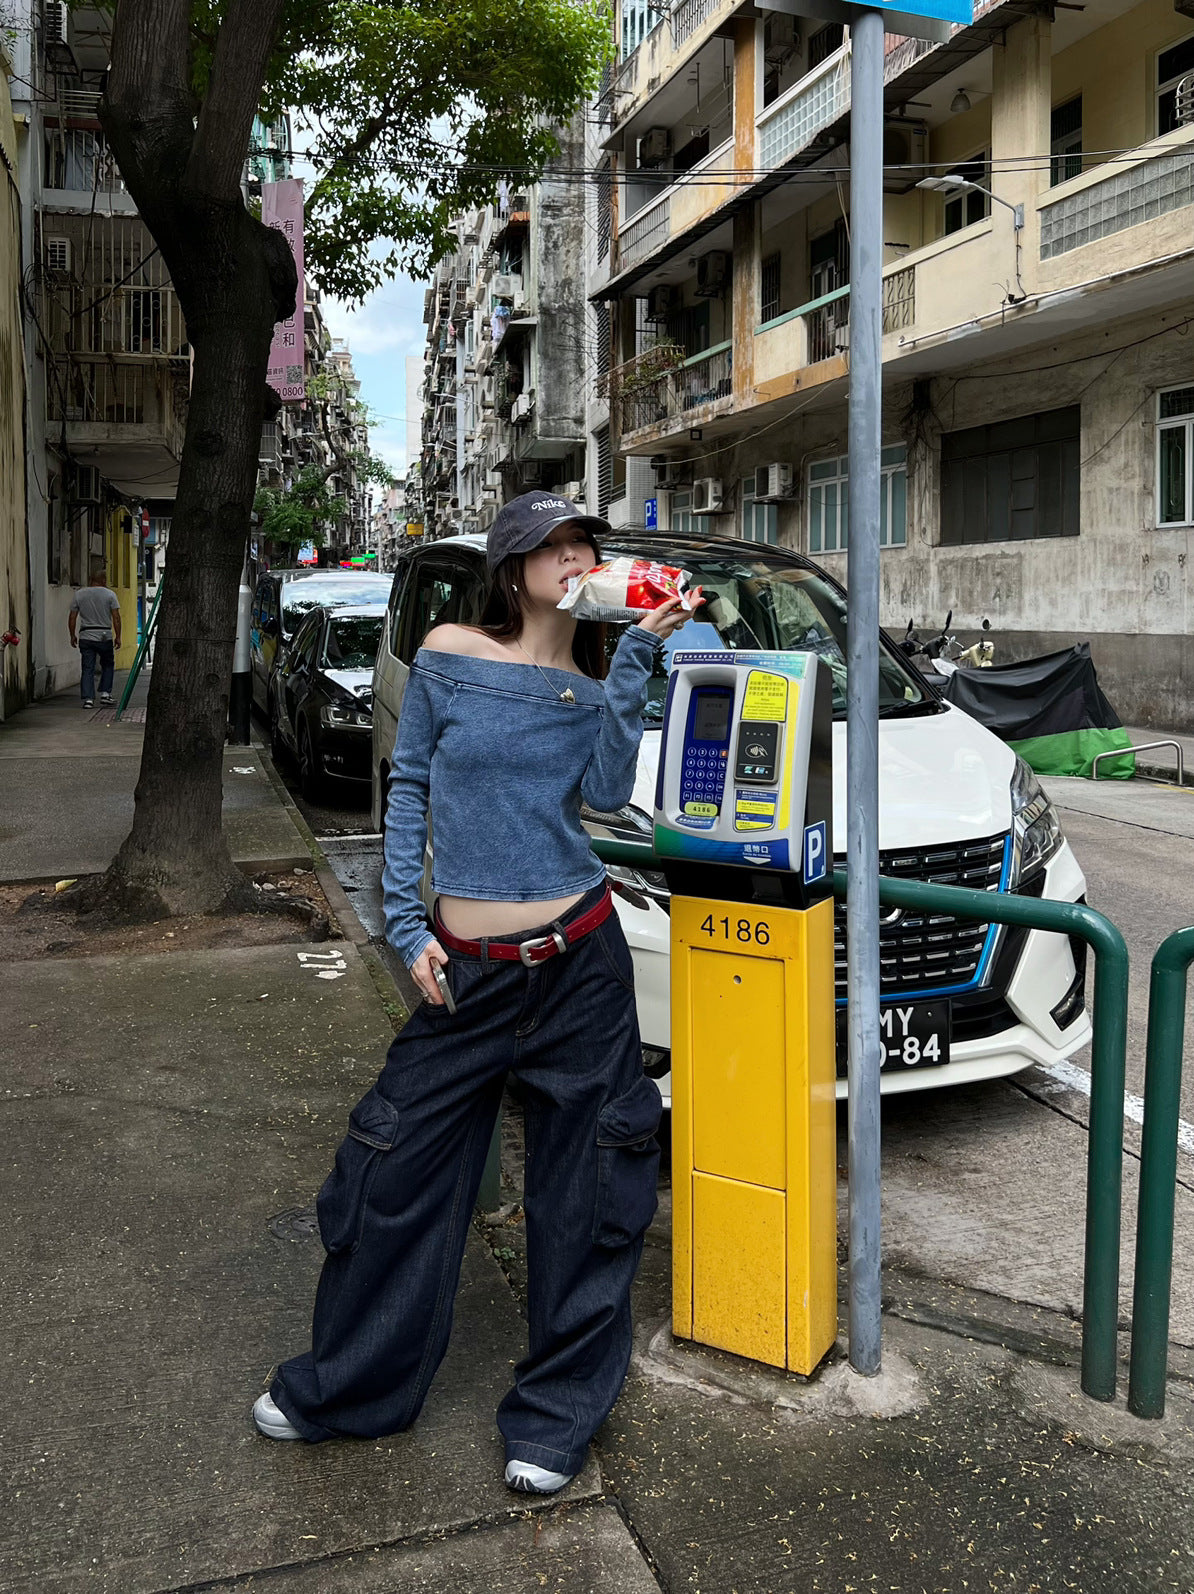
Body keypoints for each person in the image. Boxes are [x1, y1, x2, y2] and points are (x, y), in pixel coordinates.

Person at [254, 492, 702, 1492]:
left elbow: (602, 793)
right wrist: (406, 927)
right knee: (390, 1171)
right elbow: (408, 786)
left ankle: (552, 1419)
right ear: (514, 566)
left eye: (586, 543)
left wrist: (638, 651)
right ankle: (348, 1386)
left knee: (588, 1196)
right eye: (554, 544)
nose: (575, 555)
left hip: (581, 963)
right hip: (466, 973)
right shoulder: (451, 649)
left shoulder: (595, 677)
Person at [69, 566, 122, 708]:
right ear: (103, 580)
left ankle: (88, 699)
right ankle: (105, 694)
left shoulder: (79, 594)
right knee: (108, 664)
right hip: (104, 635)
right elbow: (116, 617)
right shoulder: (110, 595)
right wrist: (118, 636)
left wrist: (72, 635)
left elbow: (72, 617)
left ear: (91, 580)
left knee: (87, 668)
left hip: (86, 635)